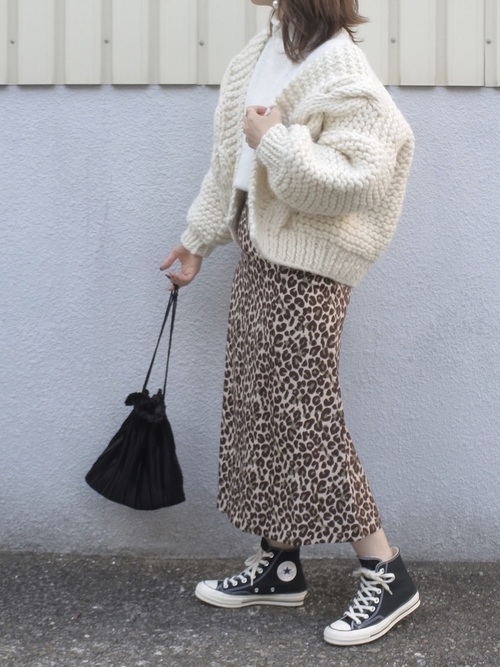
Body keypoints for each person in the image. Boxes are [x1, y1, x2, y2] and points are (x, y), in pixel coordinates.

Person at [160, 0, 419, 647]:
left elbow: (353, 183)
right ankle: (279, 562)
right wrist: (198, 238)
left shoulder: (344, 73)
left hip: (310, 268)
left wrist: (275, 139)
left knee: (306, 411)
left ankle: (386, 571)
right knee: (265, 405)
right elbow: (230, 161)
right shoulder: (260, 51)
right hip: (259, 251)